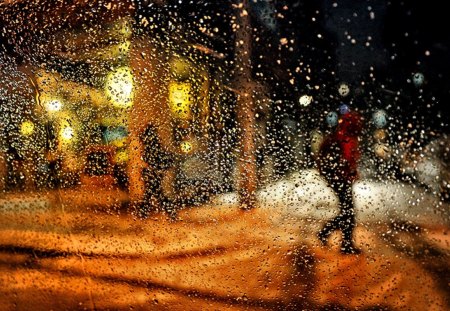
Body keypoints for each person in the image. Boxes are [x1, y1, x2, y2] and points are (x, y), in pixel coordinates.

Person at [316, 110, 363, 254]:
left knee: (347, 212)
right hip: (339, 178)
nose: (360, 125)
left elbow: (350, 159)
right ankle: (343, 243)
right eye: (356, 122)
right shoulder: (343, 137)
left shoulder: (343, 136)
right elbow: (346, 159)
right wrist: (347, 172)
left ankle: (328, 234)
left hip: (339, 177)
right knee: (348, 212)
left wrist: (352, 172)